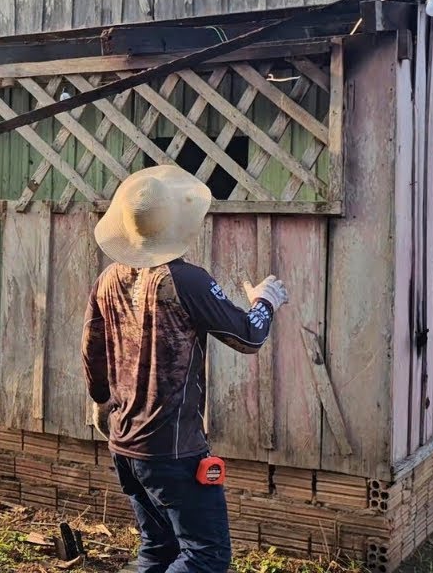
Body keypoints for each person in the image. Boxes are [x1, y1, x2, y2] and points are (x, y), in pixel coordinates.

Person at [81, 165, 290, 572]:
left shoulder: (108, 279)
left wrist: (101, 401)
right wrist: (267, 300)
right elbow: (249, 336)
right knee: (206, 556)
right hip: (173, 451)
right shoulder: (186, 280)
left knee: (158, 551)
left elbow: (92, 352)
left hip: (125, 445)